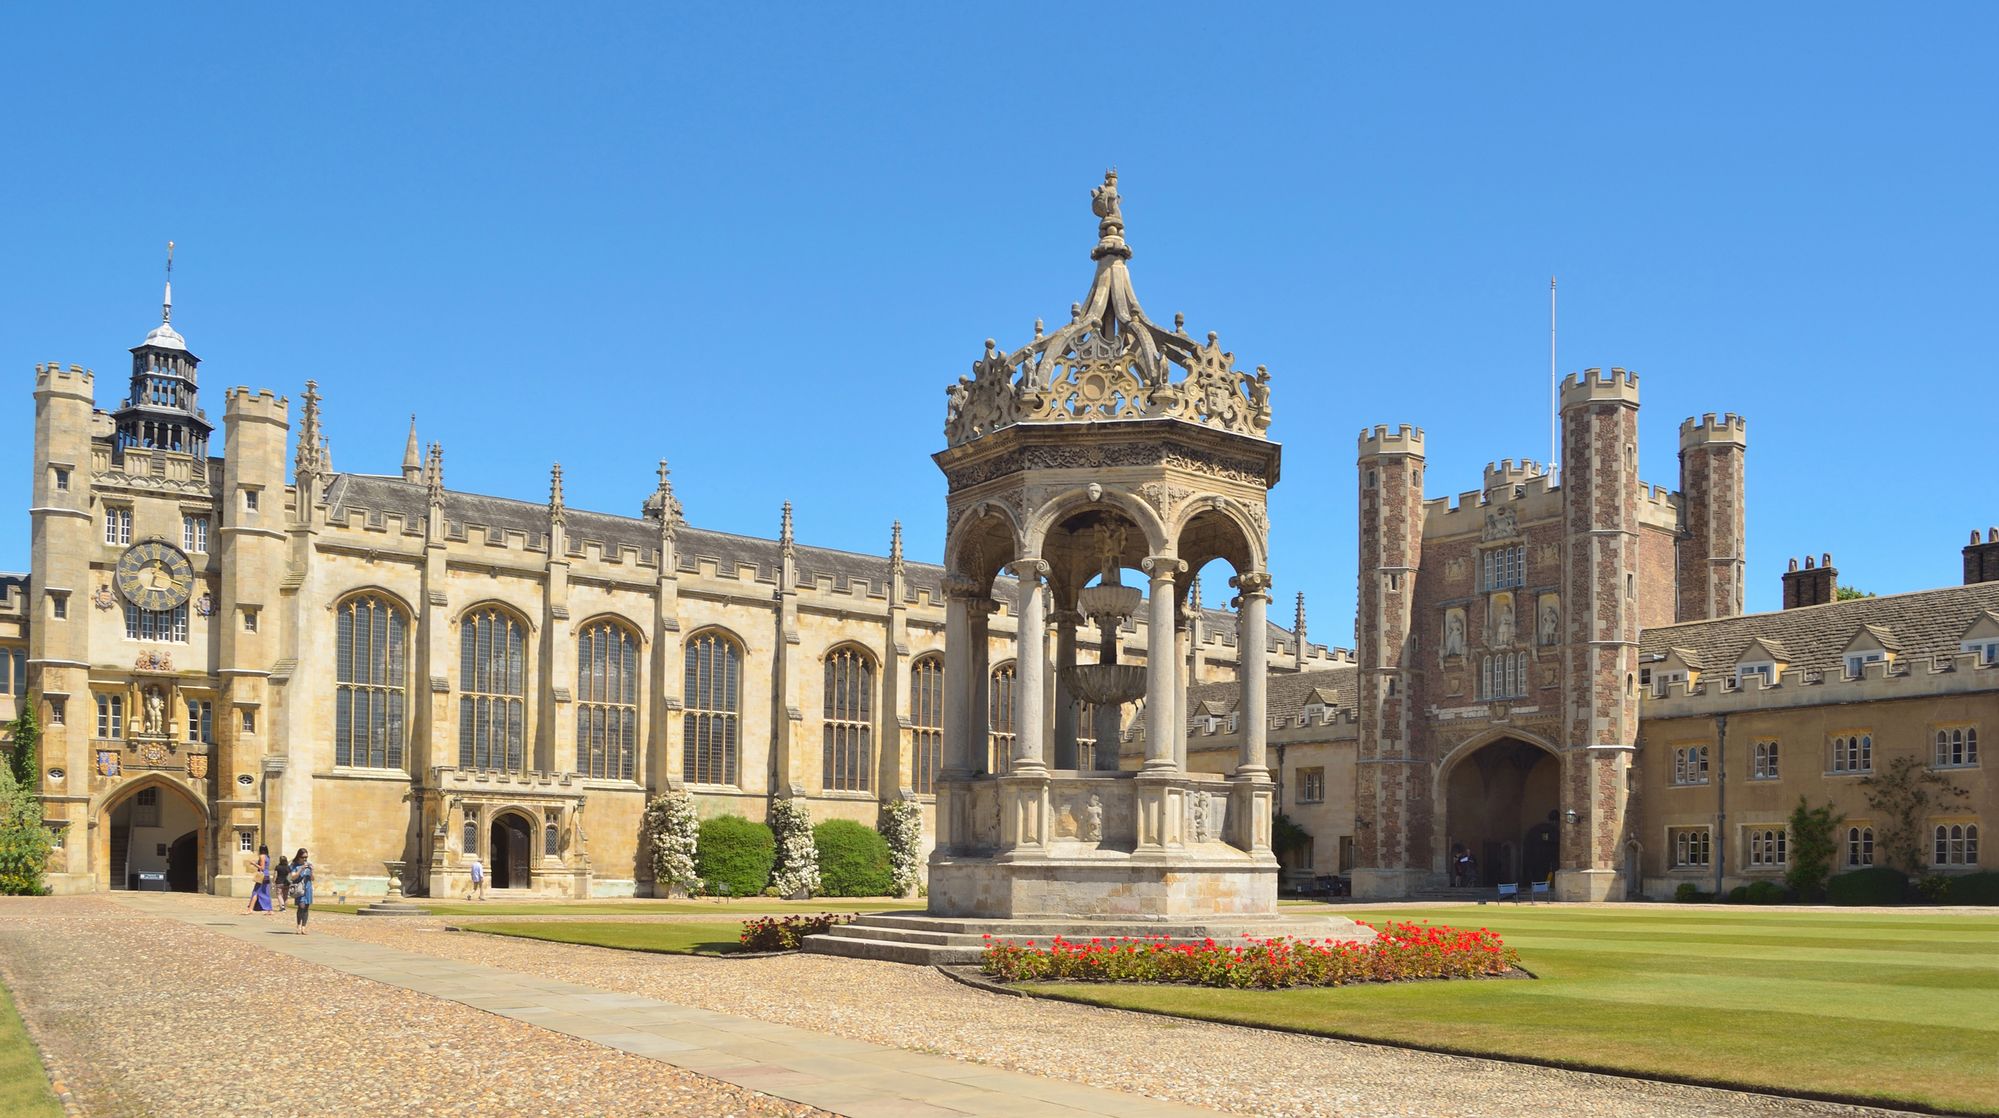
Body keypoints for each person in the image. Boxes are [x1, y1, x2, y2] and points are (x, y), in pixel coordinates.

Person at [289, 849, 314, 935]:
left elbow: (312, 879)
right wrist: (301, 869)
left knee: (306, 907)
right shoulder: (294, 865)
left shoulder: (309, 865)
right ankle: (298, 925)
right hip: (299, 889)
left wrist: (312, 871)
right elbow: (293, 877)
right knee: (301, 906)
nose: (305, 859)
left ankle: (304, 927)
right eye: (303, 857)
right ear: (299, 857)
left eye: (306, 857)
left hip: (308, 888)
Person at [246, 845, 272, 913]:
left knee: (255, 892)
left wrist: (254, 864)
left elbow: (262, 868)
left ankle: (250, 909)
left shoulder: (262, 856)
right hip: (267, 875)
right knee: (266, 892)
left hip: (262, 875)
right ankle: (269, 910)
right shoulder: (267, 857)